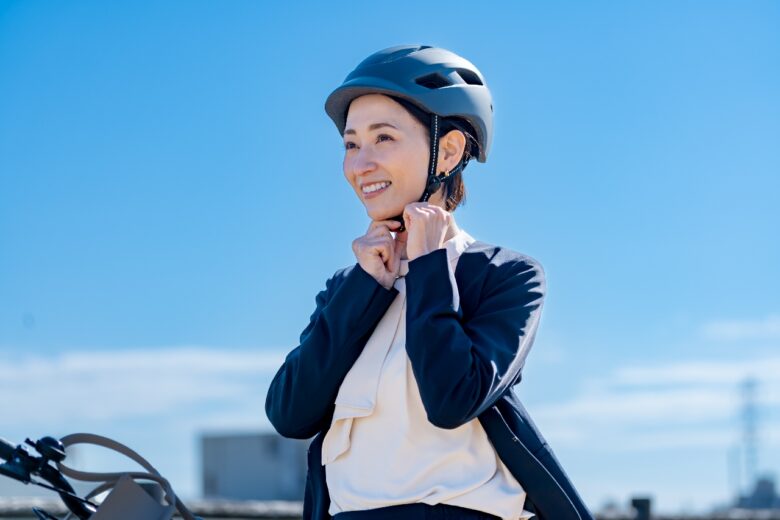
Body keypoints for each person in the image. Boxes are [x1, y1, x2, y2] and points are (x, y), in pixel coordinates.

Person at [265, 45, 593, 520]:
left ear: (451, 150)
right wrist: (364, 288)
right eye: (352, 144)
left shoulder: (505, 275)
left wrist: (430, 267)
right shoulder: (347, 286)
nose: (360, 165)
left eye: (384, 138)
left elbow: (450, 399)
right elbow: (290, 413)